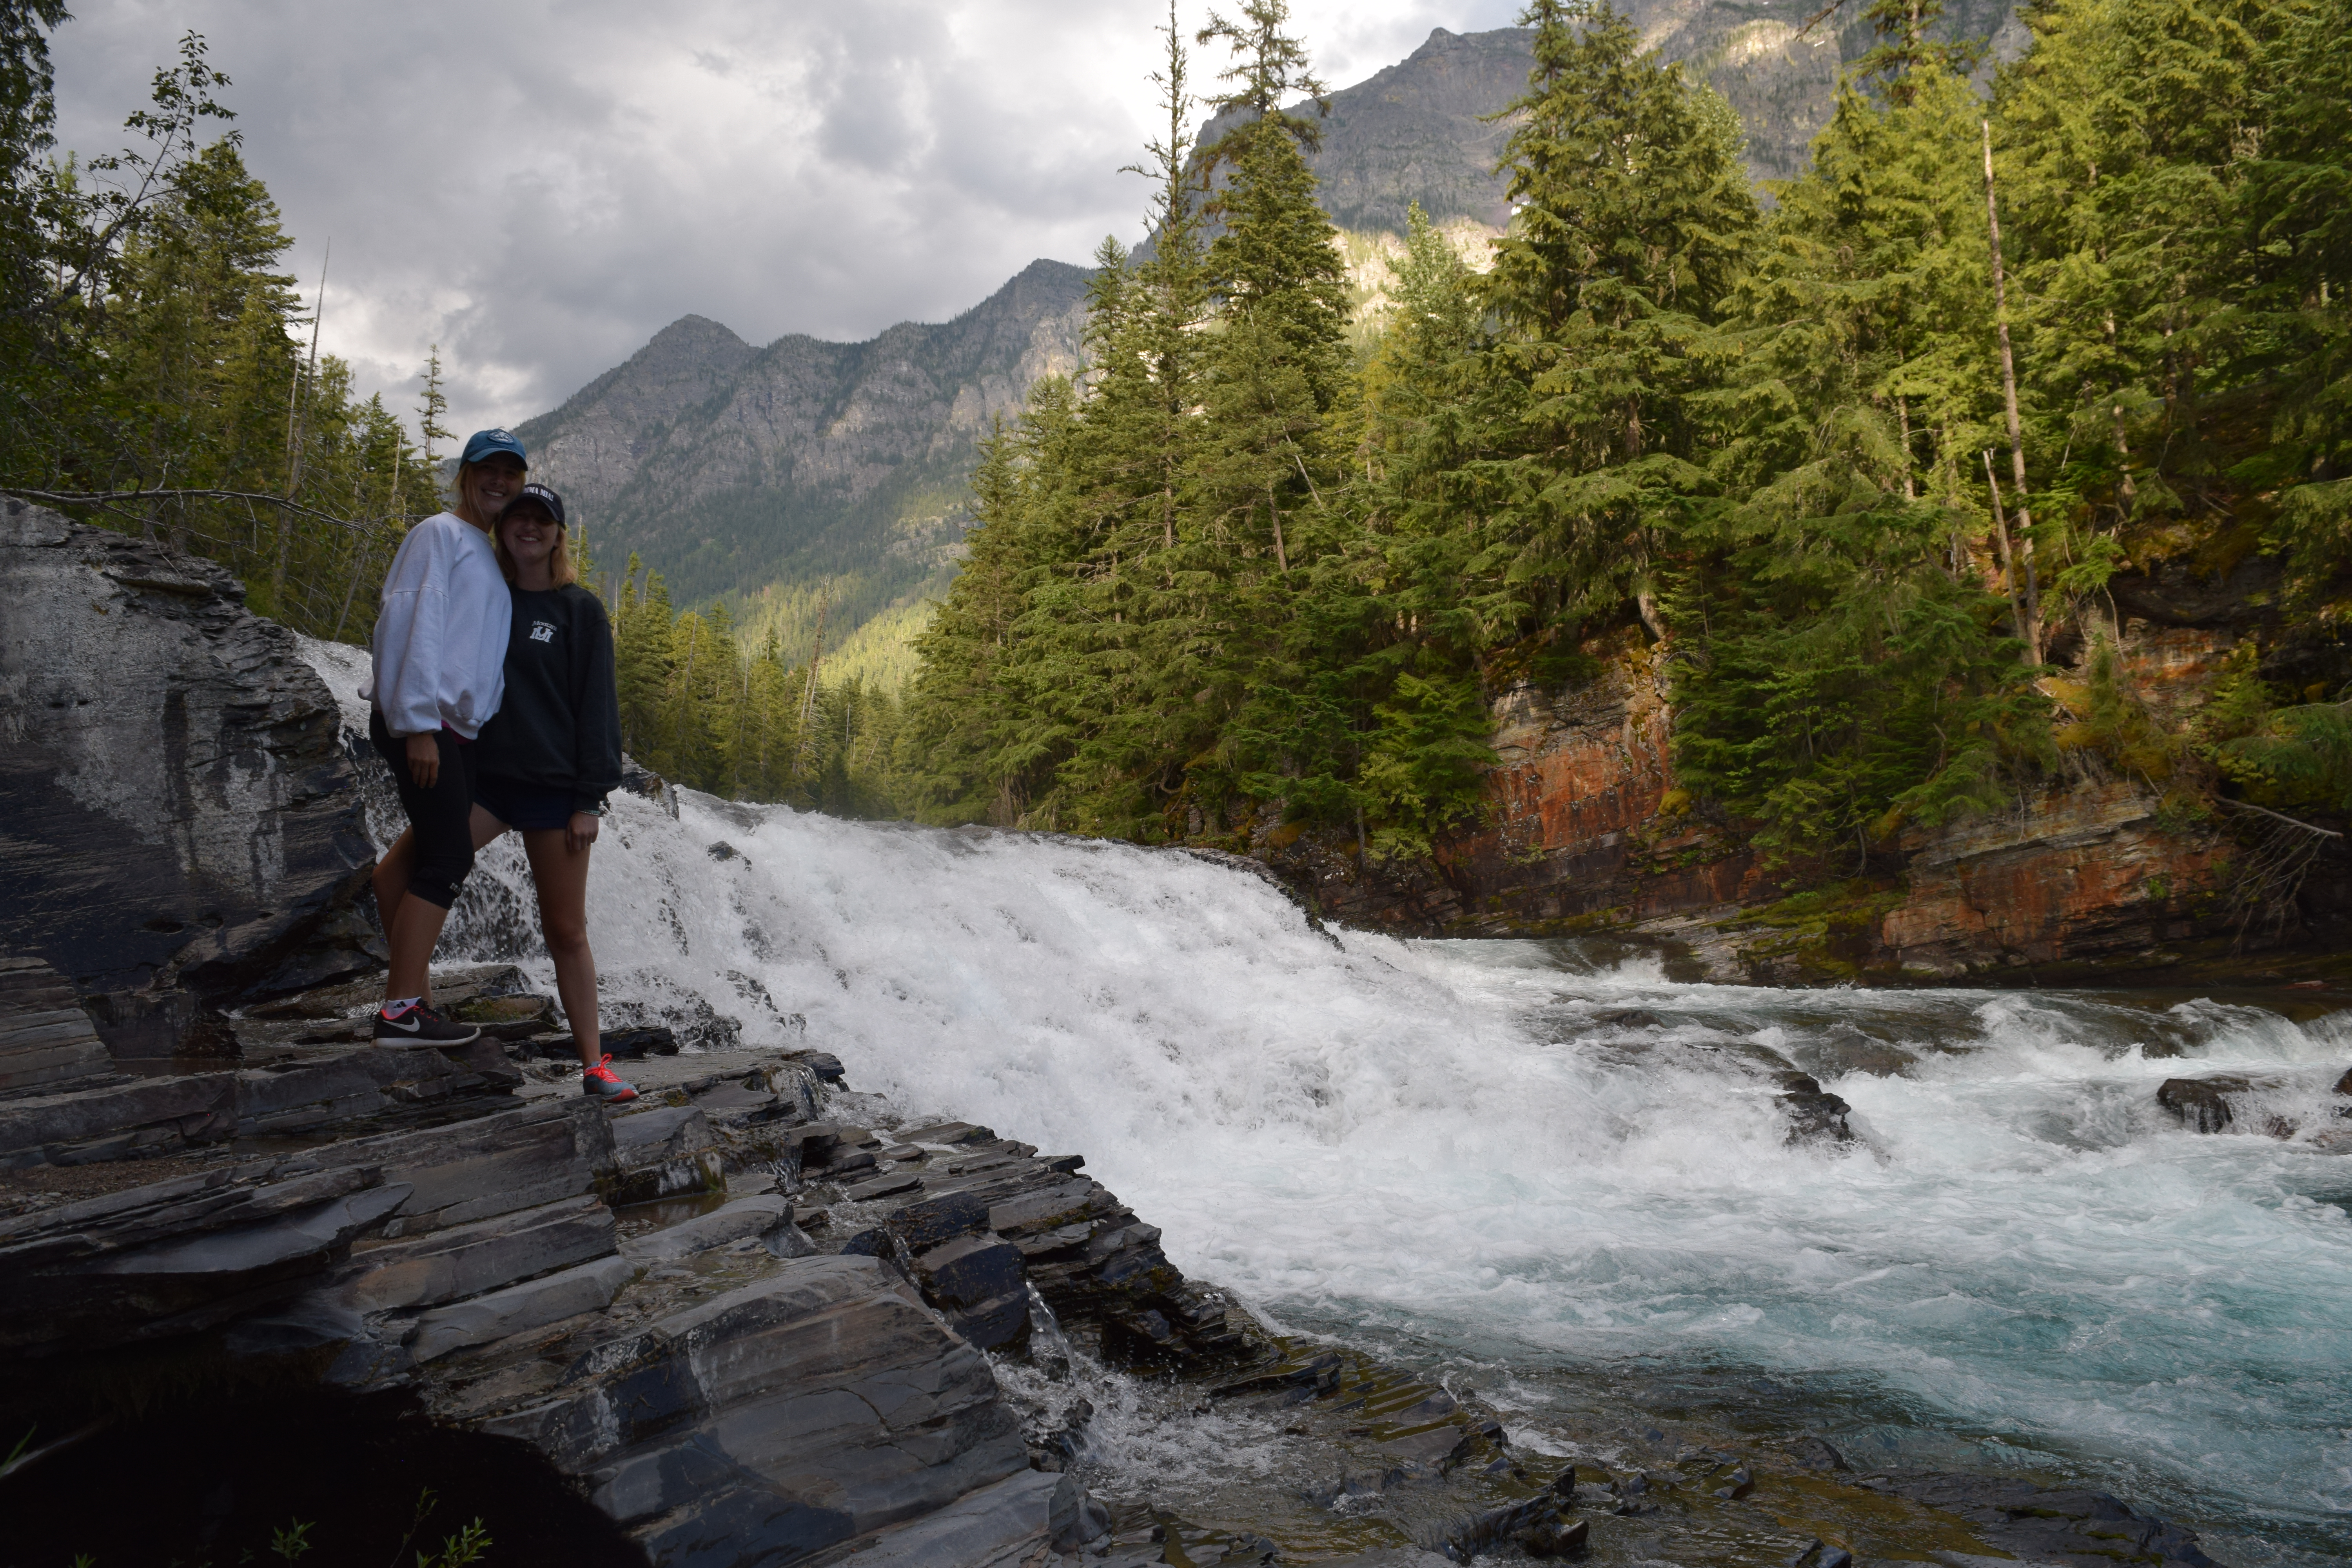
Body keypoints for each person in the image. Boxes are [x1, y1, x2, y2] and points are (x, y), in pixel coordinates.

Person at [371, 482, 638, 1102]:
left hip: (552, 793)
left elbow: (598, 707)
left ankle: (595, 1066)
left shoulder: (580, 611)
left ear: (558, 535)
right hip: (484, 784)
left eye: (541, 521)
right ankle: (418, 1011)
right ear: (502, 529)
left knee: (566, 930)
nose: (529, 528)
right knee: (392, 878)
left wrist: (588, 799)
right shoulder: (489, 595)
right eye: (518, 517)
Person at [364, 428, 524, 1046]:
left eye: (511, 474)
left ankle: (413, 998)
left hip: (455, 730)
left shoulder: (484, 550)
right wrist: (419, 727)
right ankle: (401, 1011)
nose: (500, 483)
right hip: (426, 725)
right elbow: (410, 622)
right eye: (489, 470)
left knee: (404, 869)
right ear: (465, 475)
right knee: (451, 858)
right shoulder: (438, 534)